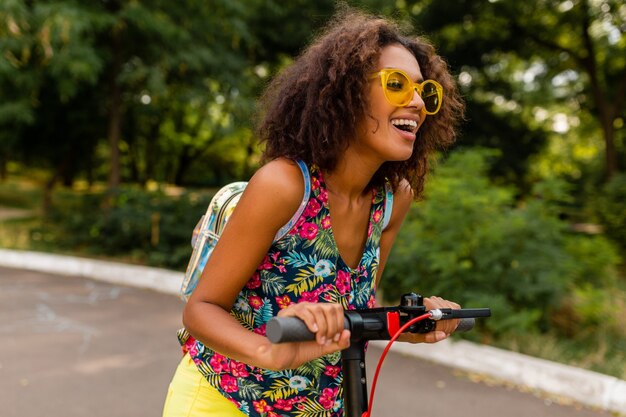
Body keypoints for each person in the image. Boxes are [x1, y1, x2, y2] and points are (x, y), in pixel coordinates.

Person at [162, 7, 465, 417]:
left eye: (424, 91)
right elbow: (201, 310)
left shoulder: (392, 200)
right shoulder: (284, 186)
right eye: (397, 85)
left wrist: (411, 324)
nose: (416, 102)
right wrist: (268, 352)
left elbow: (355, 311)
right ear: (347, 92)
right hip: (224, 403)